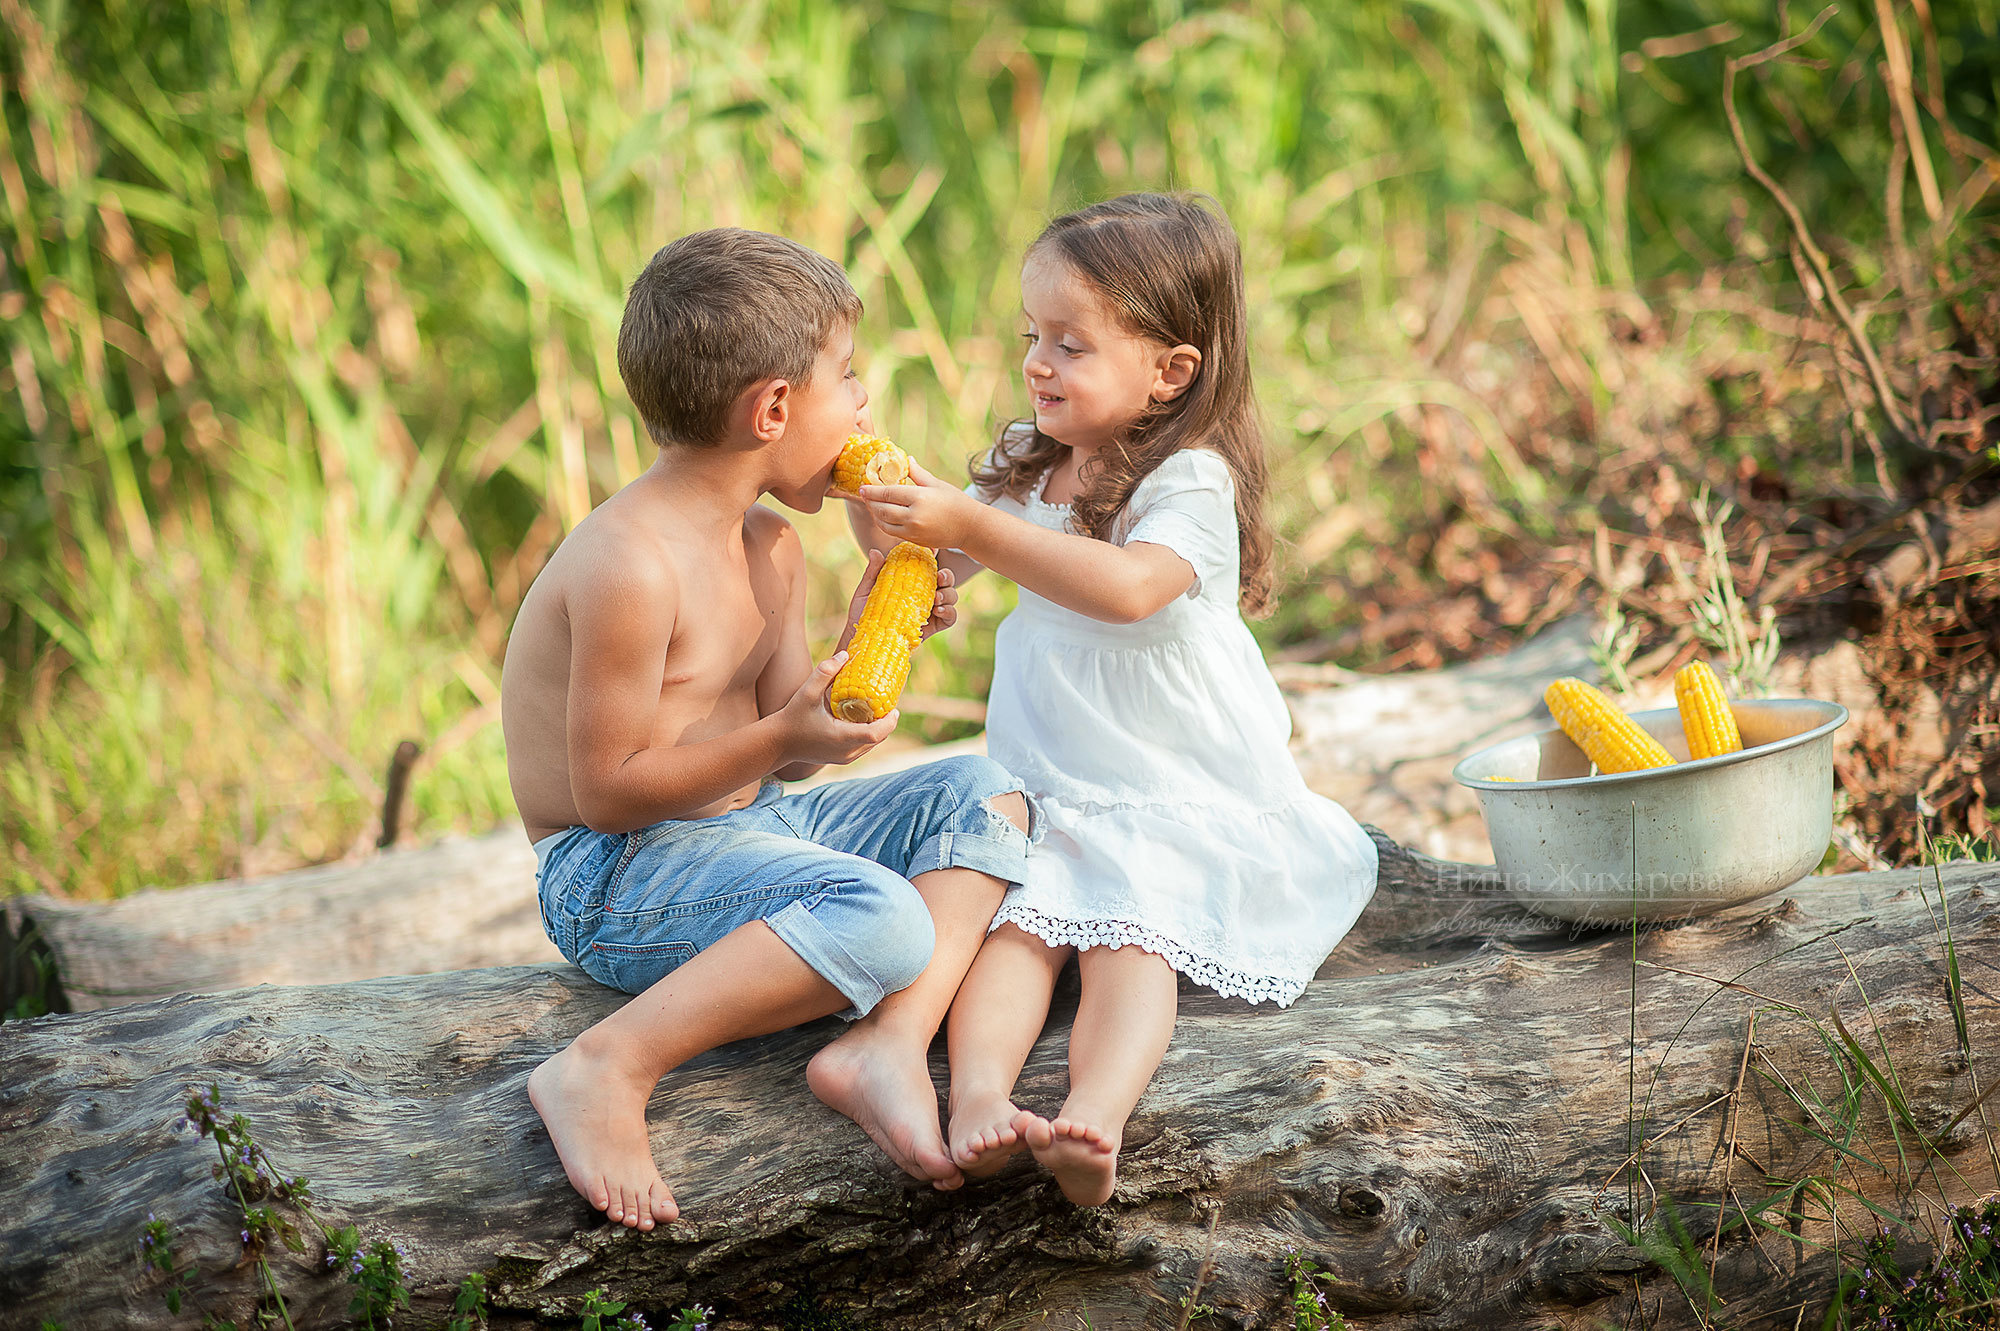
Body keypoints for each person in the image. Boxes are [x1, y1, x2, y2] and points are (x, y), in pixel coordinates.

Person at [847, 193, 1379, 1206]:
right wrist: (904, 540)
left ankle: (1097, 1109)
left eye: (1070, 344)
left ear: (1169, 370)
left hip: (1167, 775)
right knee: (1021, 928)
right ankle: (982, 1102)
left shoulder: (1189, 477)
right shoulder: (1032, 454)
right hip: (1052, 769)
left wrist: (980, 530)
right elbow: (938, 547)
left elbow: (1130, 589)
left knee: (1130, 933)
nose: (1038, 363)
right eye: (1031, 337)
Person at [501, 228, 1032, 1231]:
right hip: (613, 871)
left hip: (755, 825)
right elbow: (606, 790)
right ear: (773, 408)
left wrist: (876, 619)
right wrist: (776, 737)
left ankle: (885, 1041)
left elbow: (792, 739)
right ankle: (605, 1063)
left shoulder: (771, 544)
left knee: (985, 790)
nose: (864, 407)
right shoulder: (629, 562)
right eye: (848, 378)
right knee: (882, 917)